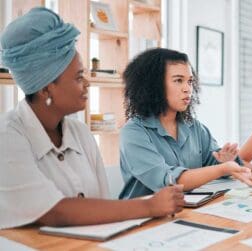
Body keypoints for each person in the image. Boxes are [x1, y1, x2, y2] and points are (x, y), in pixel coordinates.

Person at [0, 7, 185, 228]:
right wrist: (150, 206)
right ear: (46, 89)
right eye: (79, 77)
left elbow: (102, 205)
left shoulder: (80, 133)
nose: (87, 83)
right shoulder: (8, 136)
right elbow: (53, 211)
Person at [119, 48, 252, 199]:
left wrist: (229, 162)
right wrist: (222, 168)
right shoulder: (133, 133)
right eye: (178, 80)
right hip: (142, 219)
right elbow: (169, 182)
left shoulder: (194, 127)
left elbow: (214, 162)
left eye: (190, 81)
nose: (188, 89)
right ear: (153, 85)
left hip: (186, 210)